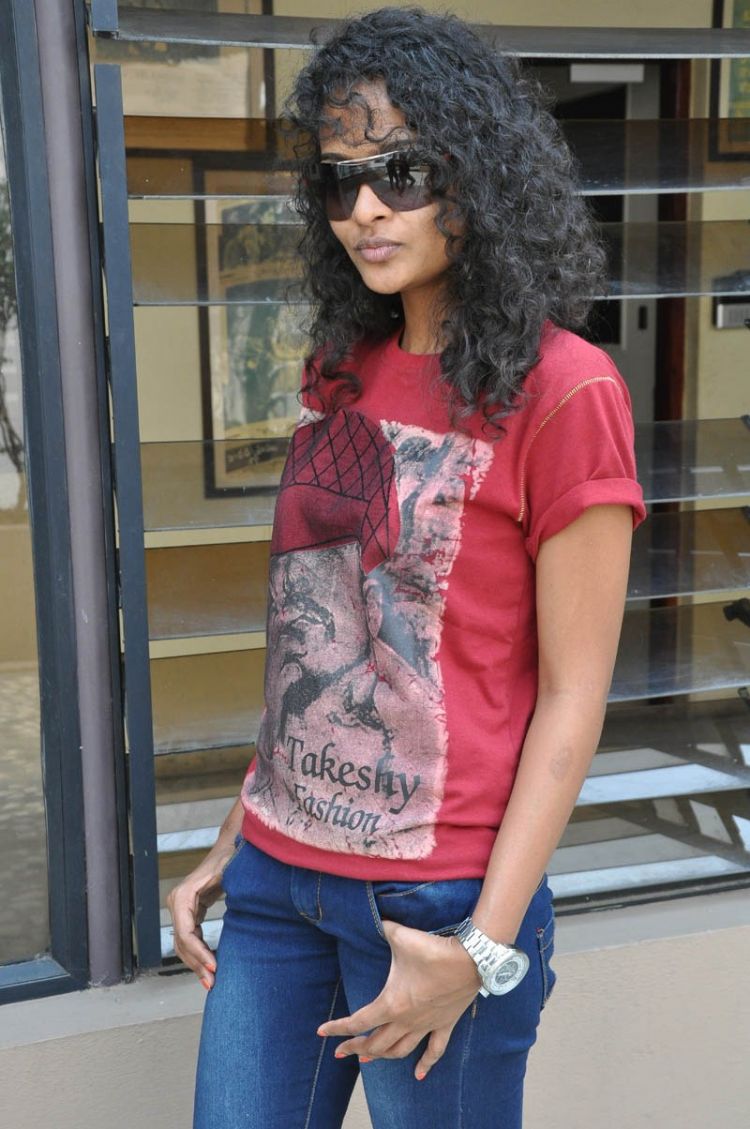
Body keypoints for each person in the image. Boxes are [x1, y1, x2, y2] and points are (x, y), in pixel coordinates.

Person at [167, 7, 647, 1128]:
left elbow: (574, 699)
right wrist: (236, 835)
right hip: (278, 885)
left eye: (402, 172)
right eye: (340, 182)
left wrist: (480, 947)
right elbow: (314, 626)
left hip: (434, 903)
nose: (367, 210)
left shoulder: (565, 390)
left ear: (476, 177)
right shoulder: (340, 367)